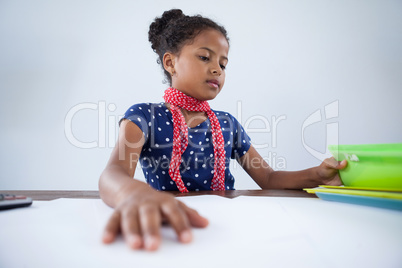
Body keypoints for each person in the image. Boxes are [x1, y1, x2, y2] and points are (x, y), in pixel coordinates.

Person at [98, 9, 347, 251]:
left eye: (223, 63)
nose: (217, 69)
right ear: (170, 62)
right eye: (205, 57)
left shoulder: (227, 123)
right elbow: (113, 173)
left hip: (227, 230)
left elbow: (269, 179)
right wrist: (132, 194)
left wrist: (317, 175)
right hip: (170, 230)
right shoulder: (144, 116)